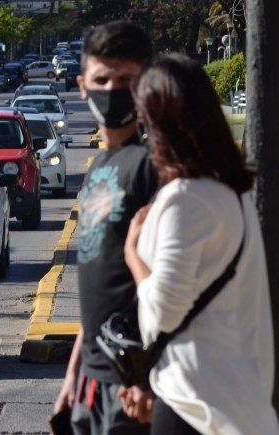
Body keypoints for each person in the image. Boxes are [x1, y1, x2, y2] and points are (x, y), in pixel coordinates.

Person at [121, 54, 278, 434]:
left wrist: (132, 254)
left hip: (195, 408)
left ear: (159, 123)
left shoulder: (185, 199)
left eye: (144, 119)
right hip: (238, 401)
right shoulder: (233, 194)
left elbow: (165, 310)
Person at [53, 21, 157, 434]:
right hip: (91, 383)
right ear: (82, 85)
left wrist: (147, 378)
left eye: (126, 79)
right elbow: (99, 291)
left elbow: (167, 282)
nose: (112, 89)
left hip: (131, 386)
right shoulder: (97, 167)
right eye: (102, 79)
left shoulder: (150, 166)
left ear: (145, 85)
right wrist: (71, 378)